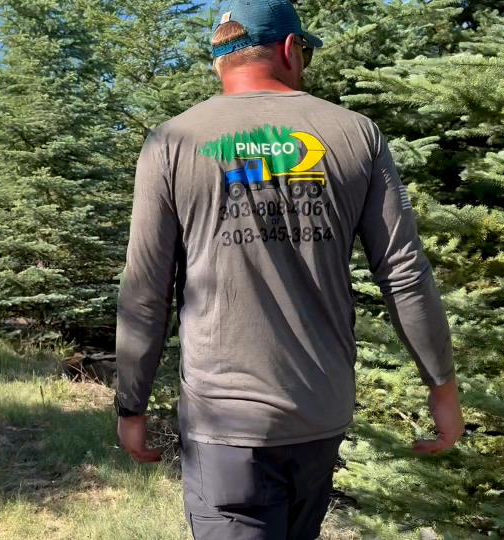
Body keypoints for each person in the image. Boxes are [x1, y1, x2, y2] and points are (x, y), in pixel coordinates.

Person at [113, 0, 466, 538]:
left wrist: (131, 406)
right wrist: (441, 388)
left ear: (219, 62)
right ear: (288, 49)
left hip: (224, 425)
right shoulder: (357, 135)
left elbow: (145, 292)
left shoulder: (172, 141)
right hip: (320, 413)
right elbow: (403, 273)